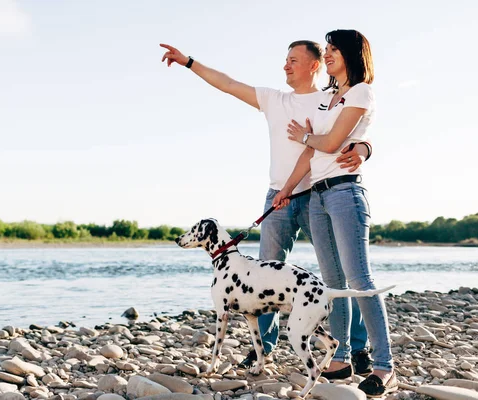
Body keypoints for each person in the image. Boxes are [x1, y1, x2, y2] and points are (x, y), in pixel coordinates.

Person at [159, 41, 374, 376]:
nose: (285, 66)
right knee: (261, 277)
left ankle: (356, 349)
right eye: (285, 60)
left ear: (314, 65)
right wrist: (189, 62)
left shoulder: (331, 99)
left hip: (318, 195)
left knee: (339, 274)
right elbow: (228, 84)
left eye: (293, 60)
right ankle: (265, 348)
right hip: (279, 198)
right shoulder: (275, 99)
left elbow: (358, 128)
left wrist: (364, 147)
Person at [273, 29, 397, 397]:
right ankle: (340, 361)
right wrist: (285, 190)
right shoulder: (327, 97)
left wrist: (359, 145)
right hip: (317, 197)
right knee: (333, 286)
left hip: (345, 193)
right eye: (325, 50)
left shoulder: (361, 91)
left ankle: (385, 367)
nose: (327, 55)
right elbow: (313, 154)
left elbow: (325, 142)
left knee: (359, 280)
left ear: (352, 54)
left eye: (333, 50)